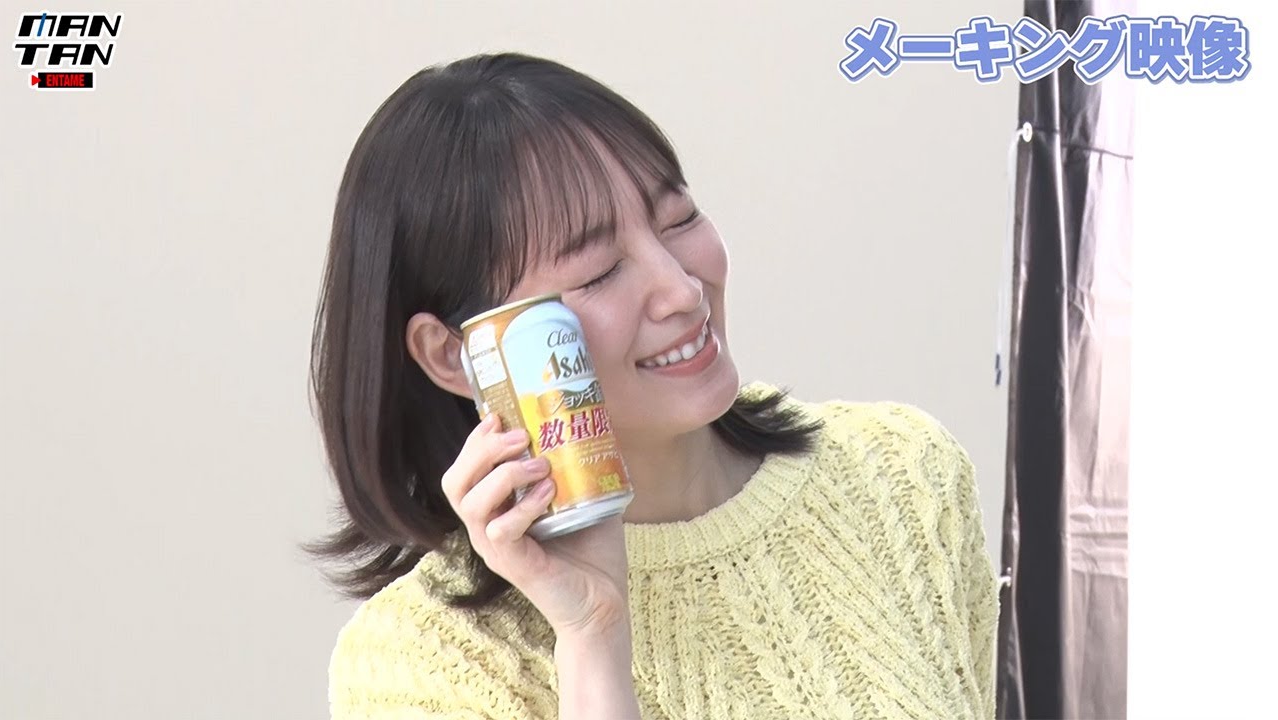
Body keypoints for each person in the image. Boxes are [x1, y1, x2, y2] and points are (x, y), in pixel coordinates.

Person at [308, 52, 999, 720]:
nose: (681, 289)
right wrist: (593, 635)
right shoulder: (417, 662)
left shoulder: (901, 473)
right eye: (599, 273)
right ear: (454, 354)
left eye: (679, 220)